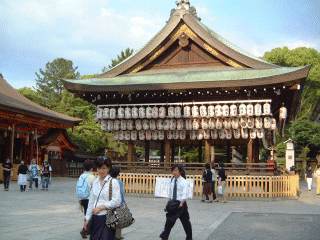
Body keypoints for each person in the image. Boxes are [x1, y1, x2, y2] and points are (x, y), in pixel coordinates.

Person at [83, 157, 121, 240]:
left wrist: (101, 207)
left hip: (108, 218)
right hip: (96, 218)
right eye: (99, 168)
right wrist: (87, 218)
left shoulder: (113, 182)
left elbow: (117, 201)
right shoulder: (95, 182)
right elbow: (91, 201)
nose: (101, 171)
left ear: (109, 168)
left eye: (104, 168)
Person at [159, 164, 192, 240]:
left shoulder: (184, 182)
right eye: (173, 170)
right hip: (173, 203)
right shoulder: (173, 180)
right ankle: (165, 236)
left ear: (180, 172)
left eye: (176, 170)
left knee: (185, 222)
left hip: (181, 204)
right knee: (169, 221)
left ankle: (189, 237)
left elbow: (185, 195)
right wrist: (169, 202)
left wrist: (181, 204)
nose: (175, 172)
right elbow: (171, 192)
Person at [79, 160, 96, 239]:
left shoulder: (81, 176)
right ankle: (84, 230)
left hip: (83, 197)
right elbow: (95, 189)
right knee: (89, 215)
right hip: (89, 198)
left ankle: (88, 229)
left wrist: (79, 199)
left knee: (86, 213)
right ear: (91, 168)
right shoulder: (92, 177)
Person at [110, 166, 125, 240]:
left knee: (110, 217)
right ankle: (118, 235)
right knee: (118, 219)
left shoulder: (107, 181)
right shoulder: (119, 182)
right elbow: (121, 193)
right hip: (117, 202)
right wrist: (122, 203)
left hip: (109, 203)